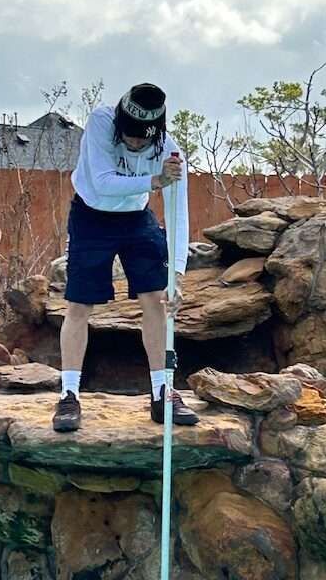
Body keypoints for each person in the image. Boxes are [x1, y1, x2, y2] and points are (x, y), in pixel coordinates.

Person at [52, 83, 200, 432]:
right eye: (129, 135)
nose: (134, 142)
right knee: (78, 305)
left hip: (137, 219)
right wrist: (156, 180)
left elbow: (178, 214)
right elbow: (102, 183)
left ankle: (162, 392)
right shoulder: (101, 122)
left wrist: (176, 274)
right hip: (92, 216)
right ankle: (69, 395)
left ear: (156, 133)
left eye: (141, 139)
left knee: (158, 299)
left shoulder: (171, 153)